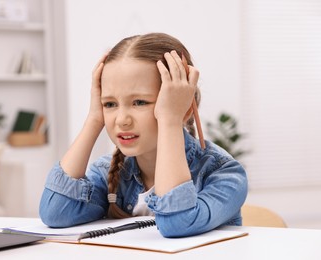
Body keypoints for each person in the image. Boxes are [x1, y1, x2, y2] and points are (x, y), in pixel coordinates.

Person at [39, 32, 248, 237]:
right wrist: (94, 118)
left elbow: (177, 223)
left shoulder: (223, 174)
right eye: (110, 104)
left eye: (139, 102)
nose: (122, 119)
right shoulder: (108, 172)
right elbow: (55, 213)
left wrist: (170, 121)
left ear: (183, 107)